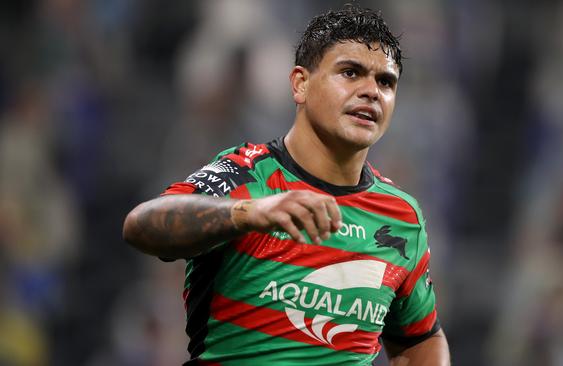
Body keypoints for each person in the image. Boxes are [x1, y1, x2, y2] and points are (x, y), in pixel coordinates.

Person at [123, 5, 450, 365]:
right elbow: (142, 226)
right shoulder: (247, 175)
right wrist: (249, 213)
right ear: (301, 83)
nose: (371, 91)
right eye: (350, 72)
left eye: (385, 81)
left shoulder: (402, 216)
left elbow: (421, 337)